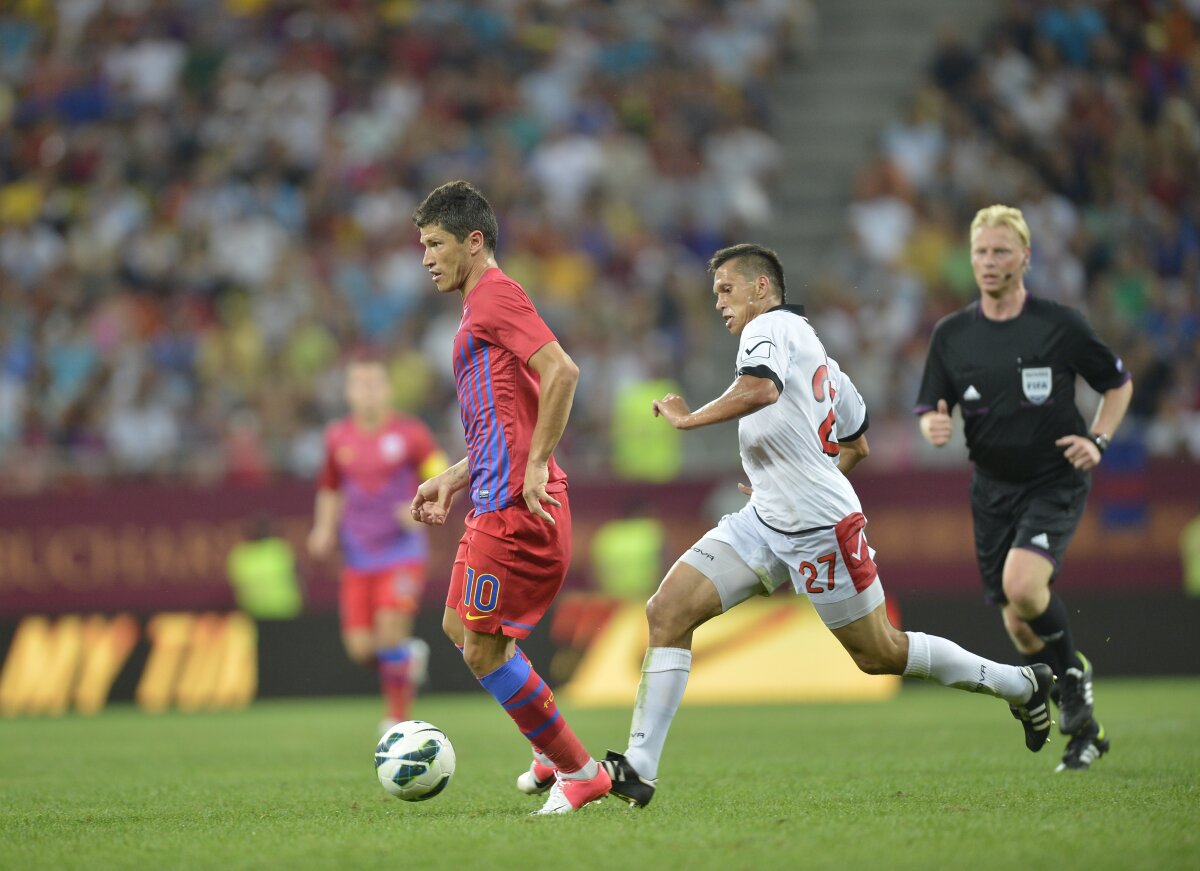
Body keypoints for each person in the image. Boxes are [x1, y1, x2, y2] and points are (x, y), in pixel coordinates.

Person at [596, 243, 1056, 808]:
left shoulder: (767, 328)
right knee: (667, 611)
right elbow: (857, 444)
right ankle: (639, 767)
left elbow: (761, 388)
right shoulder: (823, 361)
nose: (718, 302)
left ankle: (1021, 684)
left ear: (762, 288)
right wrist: (791, 478)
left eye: (726, 289)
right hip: (765, 517)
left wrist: (689, 419)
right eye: (715, 293)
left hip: (819, 527)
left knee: (880, 654)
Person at [408, 180, 611, 815]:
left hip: (518, 510)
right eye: (423, 246)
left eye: (436, 244)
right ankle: (549, 749)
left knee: (482, 649)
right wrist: (455, 475)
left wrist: (539, 464)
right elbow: (508, 422)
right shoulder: (478, 307)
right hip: (491, 499)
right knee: (458, 627)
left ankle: (581, 772)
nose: (427, 258)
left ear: (474, 242)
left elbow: (563, 371)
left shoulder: (497, 295)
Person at [914, 204, 1133, 772]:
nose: (989, 261)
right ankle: (1086, 729)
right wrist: (933, 423)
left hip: (1053, 479)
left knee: (1023, 585)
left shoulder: (1058, 325)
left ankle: (1073, 679)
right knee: (1017, 620)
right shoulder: (952, 334)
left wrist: (1099, 440)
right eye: (980, 252)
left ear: (1025, 257)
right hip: (992, 491)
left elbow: (1118, 384)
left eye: (1001, 251)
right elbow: (931, 403)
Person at [307, 354, 449, 729]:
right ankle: (406, 660)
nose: (368, 391)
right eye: (360, 384)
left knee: (389, 633)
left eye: (375, 383)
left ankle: (396, 718)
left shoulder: (411, 434)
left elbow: (442, 475)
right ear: (349, 392)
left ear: (388, 390)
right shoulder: (338, 437)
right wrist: (323, 528)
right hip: (358, 555)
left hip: (402, 551)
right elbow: (330, 488)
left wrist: (421, 507)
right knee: (361, 649)